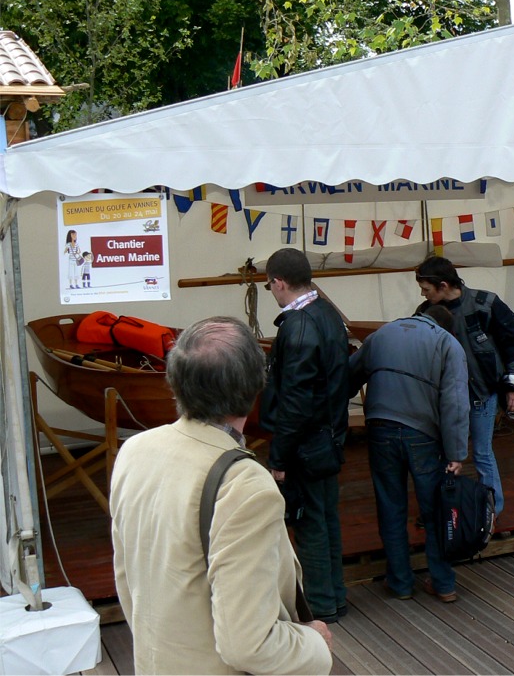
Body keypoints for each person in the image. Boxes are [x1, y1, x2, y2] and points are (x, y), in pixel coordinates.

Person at [110, 316, 333, 675]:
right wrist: (314, 644)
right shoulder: (244, 485)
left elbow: (127, 580)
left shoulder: (135, 450)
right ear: (254, 385)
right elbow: (248, 645)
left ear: (175, 381)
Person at [349, 304, 470, 602]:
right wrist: (456, 452)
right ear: (446, 325)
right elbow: (455, 401)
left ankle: (400, 583)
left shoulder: (381, 335)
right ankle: (443, 584)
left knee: (391, 508)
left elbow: (347, 376)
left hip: (380, 429)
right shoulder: (447, 343)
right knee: (435, 510)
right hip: (423, 436)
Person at [263, 248, 350, 621]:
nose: (272, 292)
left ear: (280, 282)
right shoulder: (328, 313)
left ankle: (320, 605)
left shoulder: (297, 326)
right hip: (329, 434)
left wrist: (279, 458)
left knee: (309, 523)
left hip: (306, 442)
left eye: (270, 286)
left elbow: (294, 402)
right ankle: (337, 597)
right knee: (326, 518)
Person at [415, 256, 514, 522]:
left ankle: (492, 511)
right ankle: (447, 508)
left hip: (481, 394)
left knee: (482, 453)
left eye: (426, 289)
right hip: (444, 399)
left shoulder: (485, 304)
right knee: (443, 454)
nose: (422, 294)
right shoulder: (424, 312)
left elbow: (513, 344)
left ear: (443, 285)